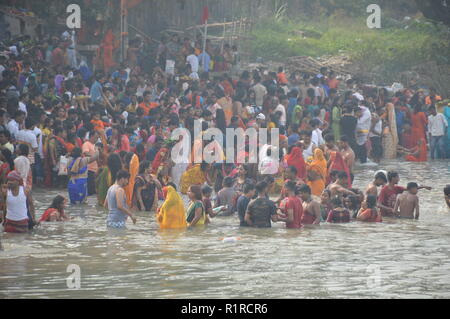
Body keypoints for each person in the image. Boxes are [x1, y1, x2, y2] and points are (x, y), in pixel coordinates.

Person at [82, 130, 99, 196]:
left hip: (95, 170)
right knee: (90, 191)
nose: (97, 139)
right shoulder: (86, 144)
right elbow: (85, 153)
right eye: (96, 137)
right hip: (89, 170)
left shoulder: (94, 145)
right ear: (91, 136)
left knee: (94, 190)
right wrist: (95, 156)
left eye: (97, 138)